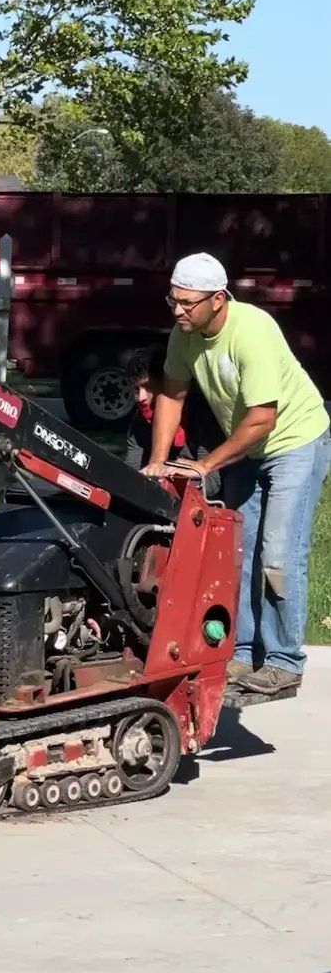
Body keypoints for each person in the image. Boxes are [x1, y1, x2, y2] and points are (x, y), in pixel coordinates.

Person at [142, 252, 330, 695]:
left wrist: (206, 464)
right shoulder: (183, 335)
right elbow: (171, 393)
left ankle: (285, 661)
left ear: (219, 299)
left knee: (279, 553)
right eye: (173, 300)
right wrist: (156, 460)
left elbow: (264, 417)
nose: (178, 310)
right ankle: (241, 655)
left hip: (294, 442)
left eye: (188, 303)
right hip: (249, 449)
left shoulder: (253, 332)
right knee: (235, 554)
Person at [123, 344, 225, 499]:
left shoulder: (201, 415)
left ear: (168, 385)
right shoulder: (140, 422)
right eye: (137, 390)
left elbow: (212, 483)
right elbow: (131, 472)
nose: (141, 397)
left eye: (148, 387)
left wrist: (168, 475)